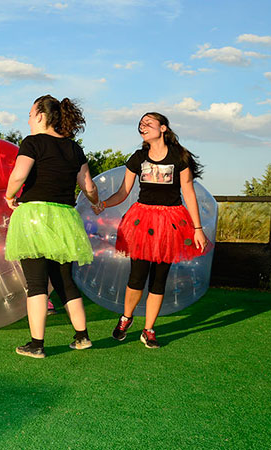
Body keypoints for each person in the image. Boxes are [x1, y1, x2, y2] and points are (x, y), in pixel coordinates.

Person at [93, 112, 209, 349]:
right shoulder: (138, 157)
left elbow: (188, 192)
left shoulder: (180, 157)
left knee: (159, 279)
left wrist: (198, 228)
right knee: (137, 276)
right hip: (143, 221)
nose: (142, 127)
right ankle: (126, 318)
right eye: (141, 124)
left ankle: (149, 329)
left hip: (171, 222)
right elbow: (124, 191)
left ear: (163, 128)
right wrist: (104, 203)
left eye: (149, 123)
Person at [4, 95, 101, 359]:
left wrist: (9, 195)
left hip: (34, 216)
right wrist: (97, 202)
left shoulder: (32, 142)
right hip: (64, 219)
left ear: (39, 115)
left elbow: (19, 175)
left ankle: (37, 344)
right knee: (64, 280)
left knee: (36, 283)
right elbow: (89, 187)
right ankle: (82, 336)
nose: (28, 119)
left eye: (29, 113)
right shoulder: (74, 148)